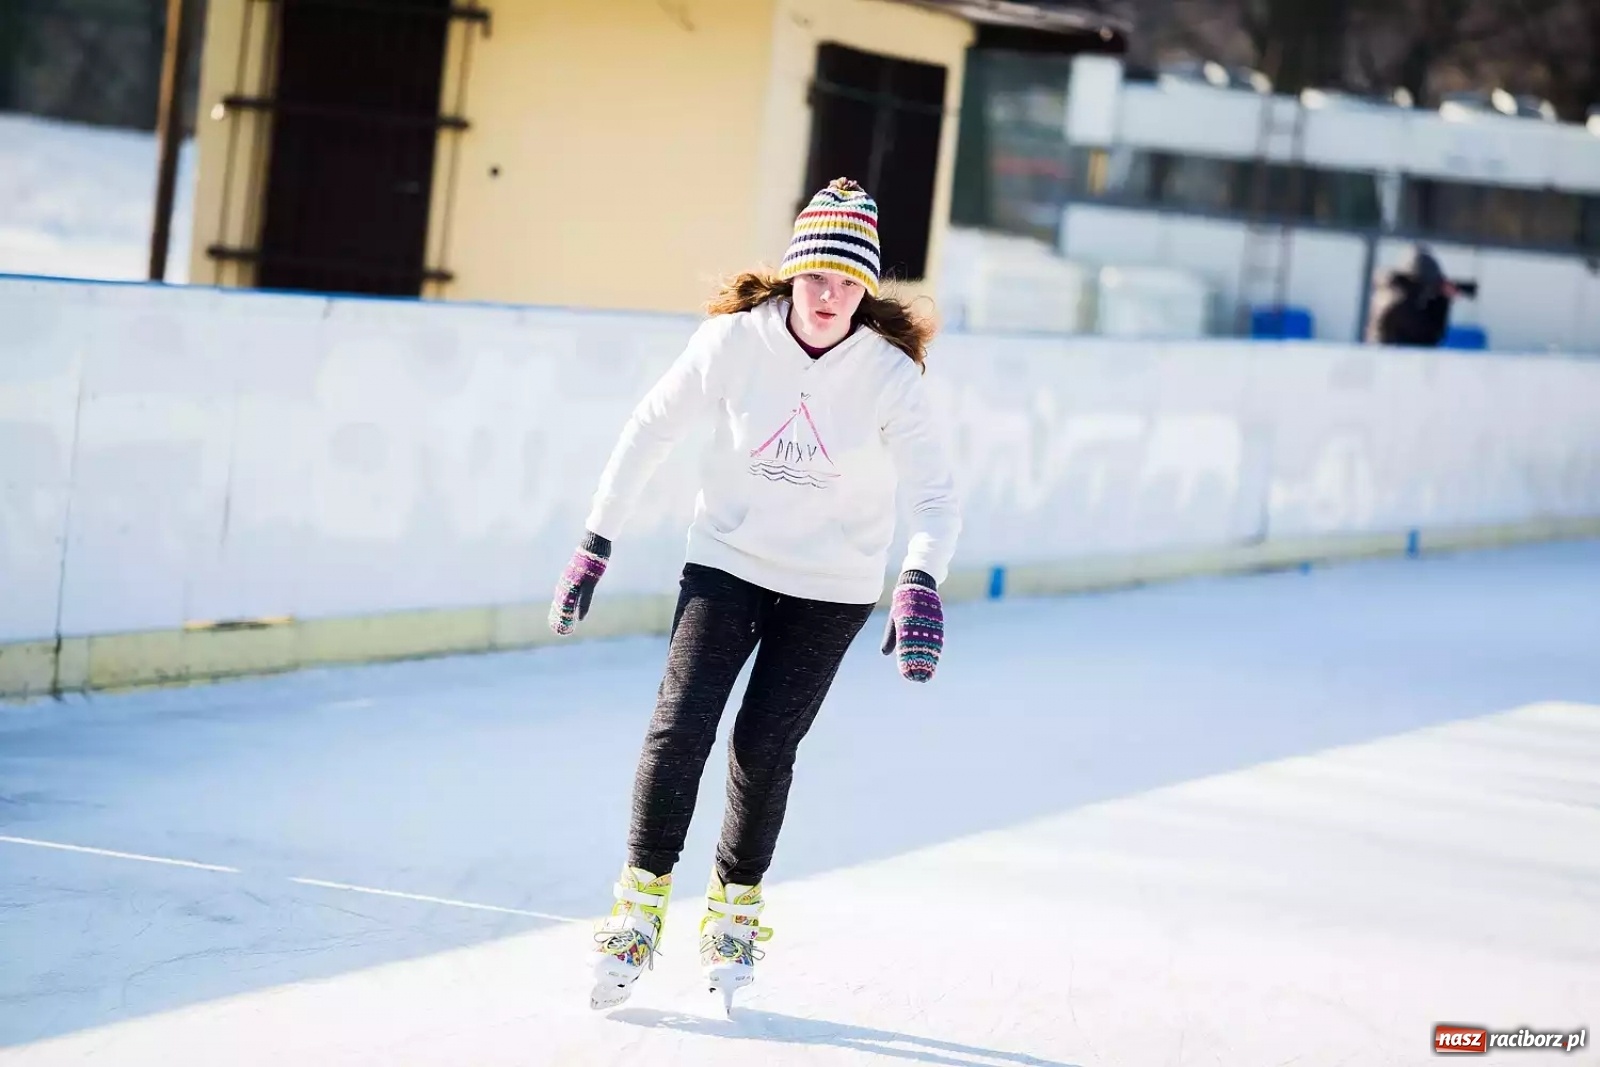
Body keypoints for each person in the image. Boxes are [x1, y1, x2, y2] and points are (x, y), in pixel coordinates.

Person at [546, 177, 962, 1012]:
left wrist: (919, 575)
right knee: (681, 722)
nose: (830, 296)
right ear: (792, 273)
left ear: (866, 289)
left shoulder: (887, 374)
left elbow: (936, 492)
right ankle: (638, 911)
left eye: (849, 283)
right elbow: (650, 427)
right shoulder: (734, 342)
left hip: (833, 586)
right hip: (727, 561)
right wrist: (597, 538)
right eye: (817, 276)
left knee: (762, 748)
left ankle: (734, 913)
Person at [1365, 243, 1478, 347]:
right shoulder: (1400, 299)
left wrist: (1441, 297)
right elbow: (1428, 338)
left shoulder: (1391, 290)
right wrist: (1442, 301)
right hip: (1394, 359)